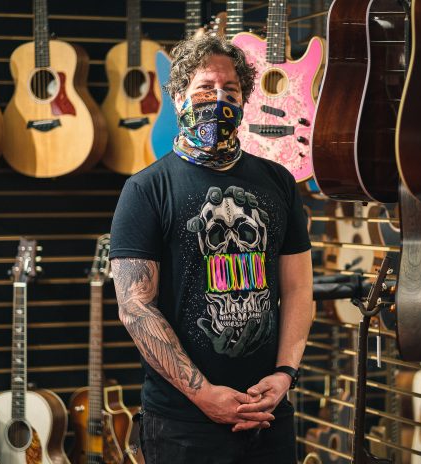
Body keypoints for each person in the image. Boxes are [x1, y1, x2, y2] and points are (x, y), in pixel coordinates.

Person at [109, 34, 313, 464]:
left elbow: (298, 291)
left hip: (268, 413)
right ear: (179, 97)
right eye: (204, 88)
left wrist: (284, 375)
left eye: (230, 91)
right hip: (184, 423)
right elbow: (135, 307)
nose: (218, 100)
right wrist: (203, 394)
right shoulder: (146, 189)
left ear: (244, 101)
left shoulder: (279, 182)